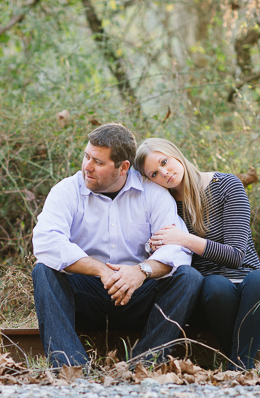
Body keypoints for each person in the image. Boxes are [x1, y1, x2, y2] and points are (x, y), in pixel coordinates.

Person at [31, 123, 202, 368]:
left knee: (189, 277)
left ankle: (144, 364)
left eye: (98, 162)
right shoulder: (66, 191)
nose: (87, 166)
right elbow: (46, 241)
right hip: (87, 292)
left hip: (137, 293)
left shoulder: (152, 194)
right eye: (86, 156)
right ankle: (70, 367)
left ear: (123, 167)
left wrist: (140, 272)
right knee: (44, 271)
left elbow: (177, 250)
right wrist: (101, 270)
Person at [133, 138, 260, 370]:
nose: (164, 173)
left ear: (175, 153)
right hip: (210, 296)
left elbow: (236, 255)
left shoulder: (226, 185)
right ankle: (241, 367)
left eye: (164, 162)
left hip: (249, 286)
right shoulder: (165, 204)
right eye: (154, 174)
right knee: (216, 285)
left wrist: (184, 239)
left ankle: (237, 366)